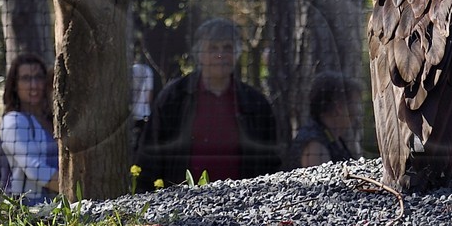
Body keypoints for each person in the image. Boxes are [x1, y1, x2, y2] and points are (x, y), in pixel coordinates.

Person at [137, 18, 281, 189]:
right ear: (199, 54)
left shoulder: (256, 103)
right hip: (181, 203)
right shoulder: (174, 97)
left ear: (237, 53)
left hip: (243, 203)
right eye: (213, 48)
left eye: (227, 48)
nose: (220, 55)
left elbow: (271, 162)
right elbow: (149, 156)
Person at [0, 53, 59, 201]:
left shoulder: (54, 121)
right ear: (15, 85)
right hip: (27, 213)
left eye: (38, 77)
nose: (34, 85)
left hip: (62, 208)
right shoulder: (13, 121)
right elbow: (34, 169)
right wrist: (77, 186)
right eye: (26, 78)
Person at [286, 71, 363, 169]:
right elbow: (320, 183)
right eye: (356, 103)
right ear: (339, 107)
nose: (359, 110)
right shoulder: (315, 145)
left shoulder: (333, 138)